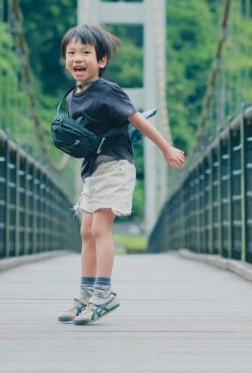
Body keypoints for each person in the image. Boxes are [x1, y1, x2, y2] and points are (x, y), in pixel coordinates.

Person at [55, 24, 185, 325]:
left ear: (101, 61)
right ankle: (86, 294)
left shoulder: (108, 92)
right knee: (85, 232)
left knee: (100, 230)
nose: (77, 58)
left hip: (115, 166)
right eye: (71, 52)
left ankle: (104, 294)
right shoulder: (73, 96)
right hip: (93, 168)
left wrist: (166, 148)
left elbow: (138, 120)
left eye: (86, 52)